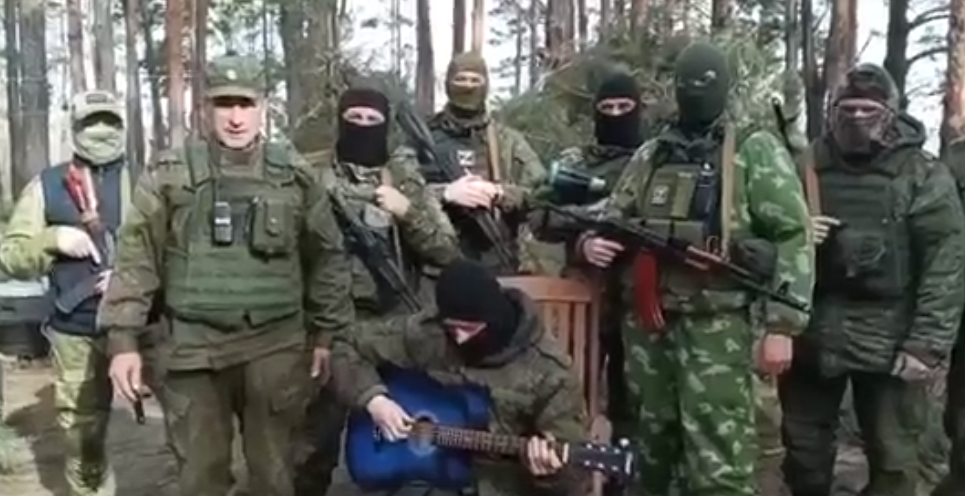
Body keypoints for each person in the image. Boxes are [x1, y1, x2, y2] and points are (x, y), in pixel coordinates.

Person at [99, 53, 355, 496]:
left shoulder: (295, 176)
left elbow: (327, 257)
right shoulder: (170, 175)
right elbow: (137, 257)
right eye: (224, 104)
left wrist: (326, 335)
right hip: (192, 350)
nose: (235, 118)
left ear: (263, 107)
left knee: (276, 476)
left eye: (245, 104)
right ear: (204, 108)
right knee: (201, 478)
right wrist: (123, 341)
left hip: (275, 347)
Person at [574, 40, 814, 496]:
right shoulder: (653, 154)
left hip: (719, 325)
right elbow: (615, 215)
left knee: (719, 454)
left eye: (704, 83)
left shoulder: (753, 150)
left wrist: (783, 325)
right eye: (686, 84)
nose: (694, 92)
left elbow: (793, 235)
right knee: (653, 447)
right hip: (650, 326)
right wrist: (588, 241)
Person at [779, 63, 965, 496]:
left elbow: (945, 263)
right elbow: (766, 234)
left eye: (868, 110)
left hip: (892, 337)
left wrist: (926, 345)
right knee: (803, 455)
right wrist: (797, 233)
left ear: (891, 113)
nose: (857, 118)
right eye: (848, 109)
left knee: (894, 460)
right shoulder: (805, 166)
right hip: (814, 332)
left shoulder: (921, 173)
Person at [295, 87, 459, 496]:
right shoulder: (313, 176)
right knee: (311, 445)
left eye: (373, 120)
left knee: (397, 439)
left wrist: (407, 212)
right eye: (355, 118)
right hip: (327, 324)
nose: (363, 126)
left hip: (394, 326)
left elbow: (445, 249)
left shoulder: (402, 176)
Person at [326, 258, 588, 496]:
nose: (459, 338)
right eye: (452, 328)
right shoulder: (433, 334)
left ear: (493, 319)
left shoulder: (551, 373)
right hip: (421, 479)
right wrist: (375, 400)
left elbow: (576, 478)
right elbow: (346, 345)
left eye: (468, 329)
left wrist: (549, 475)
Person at [0, 89, 134, 496]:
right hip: (77, 329)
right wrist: (52, 239)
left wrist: (127, 278)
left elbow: (177, 251)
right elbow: (10, 256)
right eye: (91, 122)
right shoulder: (47, 186)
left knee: (191, 431)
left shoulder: (145, 182)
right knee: (83, 436)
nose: (101, 130)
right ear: (75, 127)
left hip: (143, 327)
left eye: (109, 121)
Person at [530, 70, 643, 446]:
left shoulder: (652, 161)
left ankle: (626, 469)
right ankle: (573, 465)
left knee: (636, 401)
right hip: (584, 297)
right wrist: (584, 243)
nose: (616, 115)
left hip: (641, 299)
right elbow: (538, 214)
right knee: (570, 392)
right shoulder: (575, 161)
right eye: (607, 108)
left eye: (624, 107)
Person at [420, 51, 545, 275]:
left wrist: (500, 193)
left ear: (486, 85)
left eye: (475, 80)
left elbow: (541, 194)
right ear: (448, 83)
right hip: (435, 269)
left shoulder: (507, 141)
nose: (468, 87)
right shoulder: (423, 138)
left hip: (497, 263)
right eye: (460, 79)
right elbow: (398, 194)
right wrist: (445, 194)